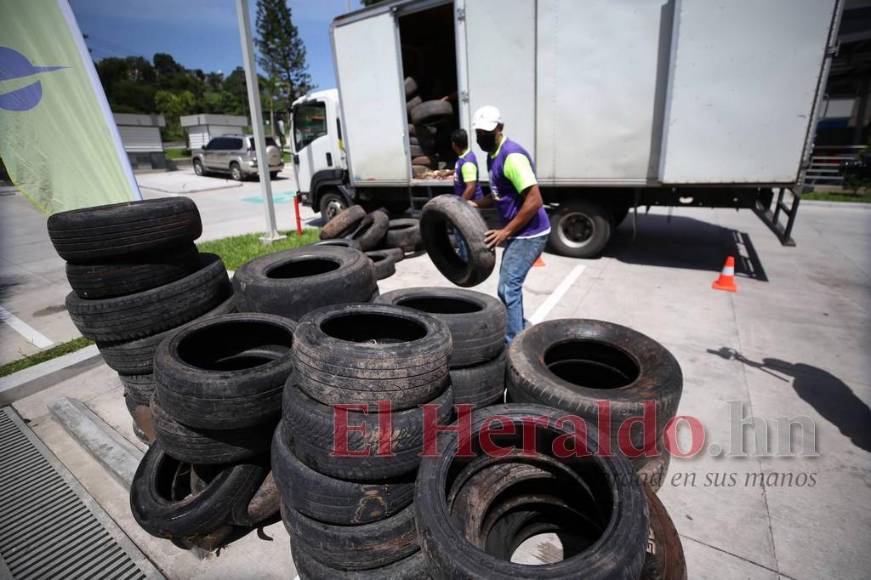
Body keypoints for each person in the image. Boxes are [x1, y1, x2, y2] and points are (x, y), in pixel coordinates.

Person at [469, 105, 550, 343]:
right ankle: (518, 328)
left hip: (531, 233)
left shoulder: (512, 157)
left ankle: (514, 343)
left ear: (500, 128)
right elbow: (498, 194)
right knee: (508, 286)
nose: (482, 137)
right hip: (519, 232)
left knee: (508, 287)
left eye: (486, 132)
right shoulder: (491, 156)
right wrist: (476, 205)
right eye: (479, 133)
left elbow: (535, 201)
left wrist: (505, 231)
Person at [451, 129, 483, 201]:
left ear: (453, 144)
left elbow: (471, 187)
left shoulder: (467, 163)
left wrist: (460, 205)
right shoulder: (463, 156)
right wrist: (448, 173)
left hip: (470, 206)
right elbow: (461, 170)